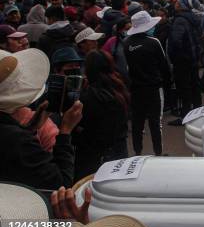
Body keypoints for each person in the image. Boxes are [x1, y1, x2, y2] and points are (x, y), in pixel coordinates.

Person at [0, 48, 83, 189]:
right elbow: (61, 184)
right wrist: (65, 131)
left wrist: (31, 127)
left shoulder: (15, 135)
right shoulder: (17, 140)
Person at [73, 50, 129, 180]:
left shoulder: (88, 97)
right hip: (119, 152)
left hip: (95, 158)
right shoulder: (119, 87)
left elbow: (83, 127)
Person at [124, 11, 170, 155]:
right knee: (155, 123)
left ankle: (137, 154)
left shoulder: (127, 43)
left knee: (138, 124)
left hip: (136, 89)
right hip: (154, 88)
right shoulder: (154, 42)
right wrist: (167, 83)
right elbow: (164, 66)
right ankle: (158, 154)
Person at [168, 0, 202, 125]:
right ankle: (198, 111)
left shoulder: (180, 20)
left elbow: (176, 41)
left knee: (184, 88)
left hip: (182, 60)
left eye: (178, 2)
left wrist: (174, 57)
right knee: (194, 85)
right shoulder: (194, 18)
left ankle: (185, 116)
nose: (175, 3)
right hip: (193, 57)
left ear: (182, 6)